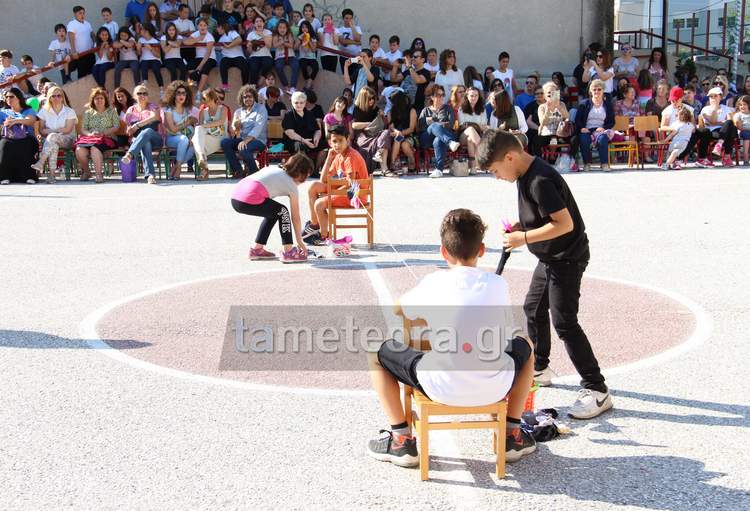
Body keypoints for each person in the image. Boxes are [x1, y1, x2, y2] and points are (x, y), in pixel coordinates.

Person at [366, 207, 537, 467]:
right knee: (526, 346)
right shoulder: (498, 284)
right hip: (496, 384)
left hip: (441, 386)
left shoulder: (434, 282)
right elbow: (503, 335)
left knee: (376, 353)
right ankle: (512, 434)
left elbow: (398, 309)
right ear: (481, 250)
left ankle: (401, 440)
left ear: (443, 251)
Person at [476, 129, 613, 420]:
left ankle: (598, 390)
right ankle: (541, 367)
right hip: (549, 257)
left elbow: (564, 224)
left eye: (495, 170)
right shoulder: (524, 175)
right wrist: (519, 227)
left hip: (567, 258)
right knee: (533, 307)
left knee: (564, 322)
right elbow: (540, 216)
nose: (496, 177)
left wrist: (522, 239)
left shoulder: (540, 180)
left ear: (510, 157)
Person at [231, 152, 312, 263]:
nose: (305, 180)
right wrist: (300, 241)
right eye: (306, 176)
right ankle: (288, 251)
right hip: (248, 198)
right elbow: (295, 217)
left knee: (274, 212)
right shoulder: (291, 185)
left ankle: (257, 249)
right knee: (282, 211)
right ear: (300, 173)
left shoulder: (274, 168)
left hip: (236, 196)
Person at [303, 124, 369, 244]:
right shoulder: (338, 156)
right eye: (334, 141)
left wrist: (329, 195)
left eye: (340, 141)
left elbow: (350, 184)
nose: (337, 144)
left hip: (355, 195)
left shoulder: (351, 156)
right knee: (313, 187)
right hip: (341, 191)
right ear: (330, 142)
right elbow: (323, 181)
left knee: (319, 204)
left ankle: (324, 236)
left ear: (348, 140)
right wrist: (328, 159)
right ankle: (315, 224)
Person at [31, 86, 77, 183]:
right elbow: (42, 130)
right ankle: (52, 176)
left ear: (62, 97)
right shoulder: (44, 111)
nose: (56, 98)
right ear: (49, 98)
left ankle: (41, 162)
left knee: (51, 137)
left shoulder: (69, 111)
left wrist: (50, 131)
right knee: (53, 144)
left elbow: (67, 130)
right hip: (50, 140)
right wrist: (55, 131)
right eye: (53, 96)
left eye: (59, 96)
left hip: (67, 140)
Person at [74, 87, 120, 182]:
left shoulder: (112, 111)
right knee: (79, 150)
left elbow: (116, 126)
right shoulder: (88, 113)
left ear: (105, 99)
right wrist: (90, 134)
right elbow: (83, 129)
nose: (99, 100)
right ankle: (87, 172)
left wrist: (103, 133)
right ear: (93, 100)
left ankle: (99, 174)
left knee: (95, 148)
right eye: (97, 98)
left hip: (107, 139)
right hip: (91, 139)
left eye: (101, 98)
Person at [222, 85, 268, 178]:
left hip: (258, 140)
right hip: (242, 139)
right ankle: (238, 170)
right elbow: (234, 131)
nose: (247, 99)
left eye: (250, 96)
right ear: (241, 99)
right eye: (245, 97)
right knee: (225, 142)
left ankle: (254, 171)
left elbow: (257, 129)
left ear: (254, 97)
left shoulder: (261, 109)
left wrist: (245, 141)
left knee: (243, 148)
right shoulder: (239, 112)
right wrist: (236, 128)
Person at [121, 84, 162, 184]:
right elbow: (127, 129)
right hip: (139, 140)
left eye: (145, 93)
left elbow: (154, 117)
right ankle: (150, 175)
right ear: (134, 96)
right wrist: (130, 129)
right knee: (145, 143)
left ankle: (130, 154)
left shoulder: (153, 107)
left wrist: (137, 125)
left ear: (148, 96)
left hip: (155, 138)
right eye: (139, 93)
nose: (142, 95)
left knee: (147, 131)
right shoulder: (130, 110)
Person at [418, 84, 461, 178]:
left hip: (444, 135)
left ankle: (439, 169)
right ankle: (450, 142)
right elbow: (420, 126)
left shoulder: (448, 109)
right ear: (432, 97)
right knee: (434, 126)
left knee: (438, 140)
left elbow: (451, 124)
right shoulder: (425, 110)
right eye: (438, 95)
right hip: (427, 138)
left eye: (442, 95)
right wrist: (437, 124)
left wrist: (433, 122)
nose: (441, 97)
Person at [0, 88, 38, 185]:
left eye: (11, 96)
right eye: (7, 97)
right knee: (5, 145)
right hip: (9, 137)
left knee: (25, 144)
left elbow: (30, 121)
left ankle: (29, 176)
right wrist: (4, 124)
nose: (8, 99)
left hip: (27, 137)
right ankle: (4, 176)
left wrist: (14, 121)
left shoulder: (28, 110)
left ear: (19, 98)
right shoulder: (3, 112)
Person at [575, 79, 614, 171]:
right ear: (591, 91)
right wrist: (581, 128)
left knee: (603, 139)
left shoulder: (607, 105)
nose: (597, 91)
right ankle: (587, 164)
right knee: (584, 139)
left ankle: (604, 164)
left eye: (599, 89)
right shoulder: (584, 104)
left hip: (600, 130)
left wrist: (604, 128)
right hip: (587, 128)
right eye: (594, 89)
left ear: (603, 91)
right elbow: (578, 119)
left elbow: (612, 121)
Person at [352, 86, 391, 175]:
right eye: (370, 99)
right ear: (364, 99)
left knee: (386, 133)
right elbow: (354, 125)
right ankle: (383, 168)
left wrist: (382, 116)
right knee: (367, 146)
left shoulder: (375, 108)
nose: (372, 101)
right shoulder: (357, 109)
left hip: (376, 133)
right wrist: (368, 124)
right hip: (363, 134)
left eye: (373, 98)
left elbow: (385, 124)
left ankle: (380, 156)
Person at [162, 80, 196, 180]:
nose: (181, 96)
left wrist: (191, 138)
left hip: (184, 138)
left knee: (194, 144)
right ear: (173, 94)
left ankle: (176, 167)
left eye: (184, 93)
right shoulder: (168, 109)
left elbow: (191, 128)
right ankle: (179, 169)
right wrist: (187, 122)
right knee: (183, 139)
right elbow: (173, 128)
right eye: (178, 93)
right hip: (171, 139)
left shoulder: (187, 110)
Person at [696, 86, 737, 167]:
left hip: (723, 131)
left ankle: (719, 144)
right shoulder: (706, 109)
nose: (713, 98)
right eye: (711, 96)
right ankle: (726, 157)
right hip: (712, 132)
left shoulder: (725, 108)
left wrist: (717, 123)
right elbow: (712, 121)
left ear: (720, 97)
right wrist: (714, 109)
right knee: (729, 130)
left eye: (715, 96)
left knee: (731, 126)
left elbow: (730, 121)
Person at [192, 88, 228, 180]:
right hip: (208, 139)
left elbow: (221, 122)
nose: (202, 101)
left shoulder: (223, 109)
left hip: (221, 139)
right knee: (198, 137)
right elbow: (200, 130)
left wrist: (205, 125)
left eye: (204, 98)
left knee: (197, 141)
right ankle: (202, 158)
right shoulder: (202, 112)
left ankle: (204, 171)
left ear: (212, 98)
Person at [536, 81, 572, 157]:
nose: (550, 94)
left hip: (560, 133)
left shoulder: (561, 104)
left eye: (553, 92)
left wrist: (559, 107)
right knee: (537, 140)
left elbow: (567, 117)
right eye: (548, 92)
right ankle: (545, 159)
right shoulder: (542, 107)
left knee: (574, 139)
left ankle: (568, 160)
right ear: (545, 95)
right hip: (546, 134)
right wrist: (548, 110)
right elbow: (543, 123)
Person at [185, 18, 217, 100]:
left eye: (204, 25)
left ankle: (199, 92)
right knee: (189, 66)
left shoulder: (210, 37)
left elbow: (208, 53)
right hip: (199, 58)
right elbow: (186, 42)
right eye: (200, 25)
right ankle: (202, 84)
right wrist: (197, 39)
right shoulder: (196, 34)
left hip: (210, 58)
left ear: (207, 27)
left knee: (204, 70)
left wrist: (200, 66)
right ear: (197, 26)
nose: (202, 27)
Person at [457, 86, 488, 172]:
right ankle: (483, 152)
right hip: (463, 135)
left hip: (477, 135)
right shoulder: (461, 109)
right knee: (470, 129)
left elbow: (484, 126)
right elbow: (461, 125)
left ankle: (473, 166)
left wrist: (474, 125)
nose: (474, 98)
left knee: (470, 139)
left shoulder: (482, 110)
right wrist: (476, 126)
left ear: (479, 96)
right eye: (471, 95)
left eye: (476, 95)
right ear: (467, 96)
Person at [217, 22, 249, 90]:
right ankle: (225, 85)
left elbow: (239, 40)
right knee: (222, 64)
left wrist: (228, 46)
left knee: (245, 67)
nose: (217, 29)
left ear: (223, 27)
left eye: (218, 27)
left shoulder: (231, 32)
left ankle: (245, 85)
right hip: (227, 58)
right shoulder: (220, 39)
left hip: (238, 56)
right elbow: (218, 49)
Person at [67, 6, 96, 79]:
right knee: (82, 76)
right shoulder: (72, 24)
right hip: (80, 55)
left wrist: (95, 44)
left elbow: (92, 34)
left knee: (92, 74)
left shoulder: (87, 23)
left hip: (90, 53)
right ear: (75, 14)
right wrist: (73, 51)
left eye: (83, 13)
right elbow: (71, 37)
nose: (82, 15)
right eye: (80, 13)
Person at [246, 16, 274, 86]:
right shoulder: (251, 34)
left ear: (263, 23)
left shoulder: (268, 32)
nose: (259, 23)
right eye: (257, 22)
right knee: (253, 68)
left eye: (261, 21)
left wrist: (263, 36)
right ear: (254, 24)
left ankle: (262, 77)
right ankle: (253, 87)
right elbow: (249, 52)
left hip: (266, 55)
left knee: (268, 63)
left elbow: (269, 46)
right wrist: (249, 46)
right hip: (254, 55)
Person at [272, 20, 299, 93]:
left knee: (296, 65)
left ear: (287, 28)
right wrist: (282, 42)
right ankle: (286, 85)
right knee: (278, 67)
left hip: (291, 55)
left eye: (284, 27)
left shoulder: (289, 34)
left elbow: (291, 45)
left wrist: (282, 42)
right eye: (280, 27)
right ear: (277, 28)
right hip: (280, 56)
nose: (282, 29)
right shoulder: (275, 35)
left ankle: (293, 86)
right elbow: (275, 45)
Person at [137, 23, 164, 92]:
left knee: (156, 68)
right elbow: (139, 54)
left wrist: (150, 48)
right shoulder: (140, 40)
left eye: (142, 29)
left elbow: (158, 55)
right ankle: (145, 84)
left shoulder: (155, 41)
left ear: (147, 31)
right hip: (144, 59)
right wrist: (138, 48)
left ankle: (161, 89)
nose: (141, 31)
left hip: (155, 59)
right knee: (144, 65)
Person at [336, 8, 362, 73]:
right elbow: (343, 42)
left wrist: (352, 27)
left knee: (355, 76)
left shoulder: (357, 28)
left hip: (355, 57)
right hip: (344, 57)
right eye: (346, 18)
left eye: (350, 18)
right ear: (343, 18)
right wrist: (356, 43)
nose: (348, 20)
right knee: (346, 77)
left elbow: (357, 38)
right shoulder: (339, 30)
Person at [297, 20, 318, 90]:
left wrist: (308, 40)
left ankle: (308, 83)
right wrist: (300, 38)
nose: (304, 29)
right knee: (303, 66)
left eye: (306, 27)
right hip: (302, 57)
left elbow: (314, 50)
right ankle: (308, 83)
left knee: (316, 67)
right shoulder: (299, 36)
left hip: (312, 58)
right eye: (303, 27)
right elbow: (295, 47)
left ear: (309, 28)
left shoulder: (313, 37)